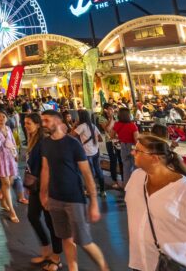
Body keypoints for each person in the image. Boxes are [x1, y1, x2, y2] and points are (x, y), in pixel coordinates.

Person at [125, 134, 186, 271]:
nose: (132, 153)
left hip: (176, 267)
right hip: (140, 265)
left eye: (137, 151)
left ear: (154, 158)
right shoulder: (136, 178)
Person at [40, 110, 108, 271]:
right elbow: (45, 169)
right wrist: (44, 193)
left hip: (74, 198)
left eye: (47, 120)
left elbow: (87, 174)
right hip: (55, 198)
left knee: (84, 241)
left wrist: (94, 202)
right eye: (42, 120)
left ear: (57, 121)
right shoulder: (46, 143)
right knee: (65, 237)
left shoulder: (73, 144)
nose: (43, 124)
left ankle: (104, 267)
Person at [23, 113, 62, 270]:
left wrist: (45, 188)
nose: (26, 126)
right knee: (32, 216)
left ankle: (56, 257)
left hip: (45, 186)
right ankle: (46, 250)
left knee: (50, 221)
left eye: (29, 123)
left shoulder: (43, 142)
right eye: (25, 123)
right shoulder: (33, 140)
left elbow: (46, 166)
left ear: (37, 125)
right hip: (35, 185)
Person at [73, 110, 106, 197]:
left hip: (87, 153)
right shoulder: (93, 126)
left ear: (81, 117)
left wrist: (74, 125)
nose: (76, 117)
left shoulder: (82, 126)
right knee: (98, 171)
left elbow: (71, 135)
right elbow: (100, 139)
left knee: (90, 173)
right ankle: (102, 191)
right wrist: (92, 140)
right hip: (95, 152)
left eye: (78, 116)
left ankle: (91, 191)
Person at [98, 104, 122, 189]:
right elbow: (108, 129)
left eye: (112, 109)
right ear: (105, 110)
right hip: (110, 142)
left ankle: (124, 180)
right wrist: (111, 118)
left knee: (121, 160)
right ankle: (115, 181)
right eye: (110, 109)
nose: (112, 110)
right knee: (113, 160)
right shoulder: (101, 118)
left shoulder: (116, 116)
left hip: (119, 141)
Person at [113, 107, 139, 185]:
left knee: (126, 167)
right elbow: (136, 139)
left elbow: (111, 135)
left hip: (123, 146)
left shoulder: (117, 124)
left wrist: (120, 137)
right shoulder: (132, 125)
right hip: (132, 146)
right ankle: (135, 184)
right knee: (136, 167)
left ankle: (126, 185)